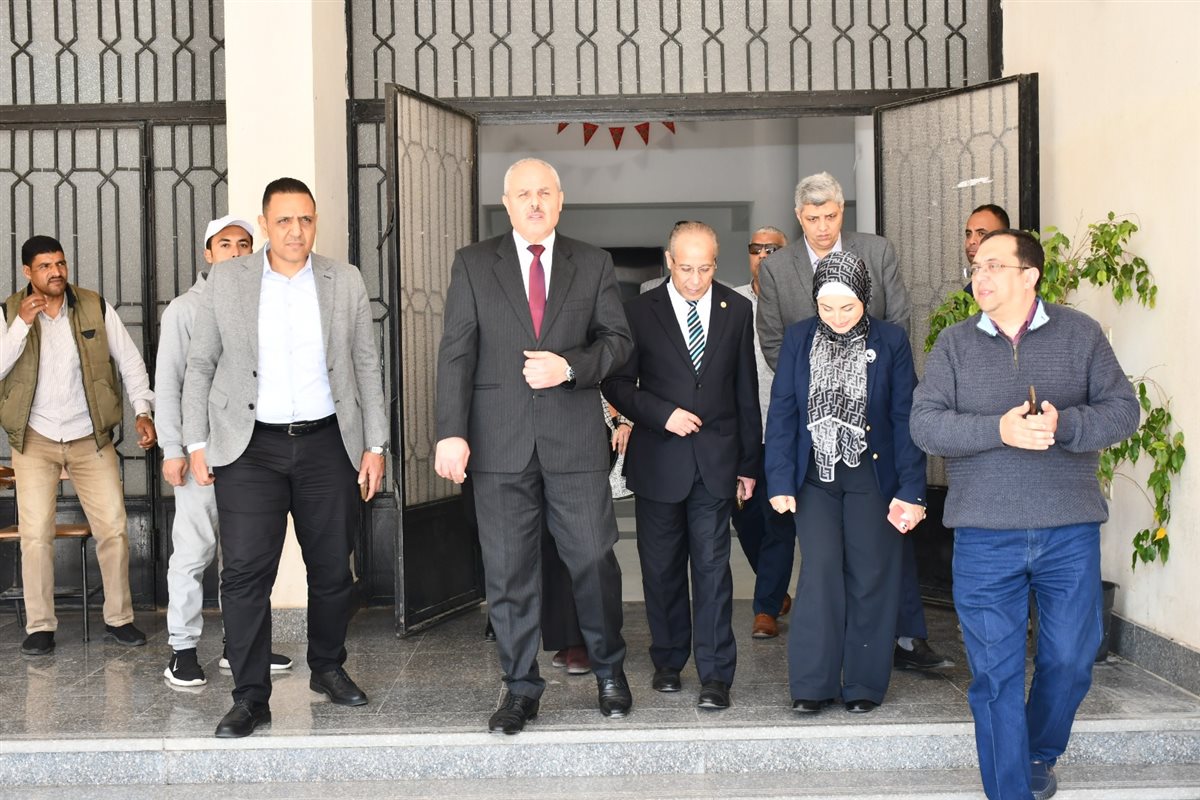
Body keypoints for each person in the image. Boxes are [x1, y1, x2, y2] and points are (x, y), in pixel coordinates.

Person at [910, 229, 1139, 800]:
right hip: (985, 536)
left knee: (1071, 660)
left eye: (994, 265)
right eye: (976, 267)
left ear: (1030, 275)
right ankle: (1010, 788)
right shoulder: (954, 345)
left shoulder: (1080, 334)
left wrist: (1067, 425)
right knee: (995, 676)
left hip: (1068, 531)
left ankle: (1037, 752)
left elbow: (1123, 411)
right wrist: (1000, 429)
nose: (980, 276)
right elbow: (925, 425)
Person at [183, 178, 388, 738]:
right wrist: (196, 442)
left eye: (305, 219)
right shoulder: (228, 279)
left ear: (314, 222)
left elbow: (366, 364)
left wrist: (375, 445)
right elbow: (200, 364)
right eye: (284, 220)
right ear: (265, 224)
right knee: (245, 573)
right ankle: (250, 697)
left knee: (332, 568)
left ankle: (327, 667)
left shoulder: (344, 280)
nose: (296, 231)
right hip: (249, 448)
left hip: (328, 443)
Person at [434, 157, 633, 734]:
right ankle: (520, 687)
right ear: (507, 203)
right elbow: (456, 353)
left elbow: (618, 342)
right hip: (499, 443)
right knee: (508, 572)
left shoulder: (592, 263)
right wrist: (451, 431)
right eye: (524, 193)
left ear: (561, 200)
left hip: (575, 443)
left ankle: (609, 670)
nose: (535, 202)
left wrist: (569, 367)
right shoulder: (474, 263)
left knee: (593, 558)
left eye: (545, 192)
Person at [756, 170, 951, 672]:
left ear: (842, 211)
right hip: (815, 438)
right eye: (812, 217)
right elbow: (775, 343)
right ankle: (819, 672)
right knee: (821, 567)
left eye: (831, 215)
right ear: (798, 217)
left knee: (877, 561)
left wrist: (867, 376)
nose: (823, 226)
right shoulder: (778, 269)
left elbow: (898, 322)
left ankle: (895, 646)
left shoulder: (877, 252)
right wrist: (815, 381)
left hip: (874, 428)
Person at [602, 221, 760, 711]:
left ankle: (716, 674)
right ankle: (668, 660)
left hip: (716, 461)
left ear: (716, 263)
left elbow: (745, 391)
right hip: (658, 459)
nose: (695, 279)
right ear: (669, 262)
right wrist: (662, 414)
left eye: (705, 268)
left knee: (712, 569)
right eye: (686, 268)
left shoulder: (737, 310)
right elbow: (616, 383)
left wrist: (749, 464)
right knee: (661, 567)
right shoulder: (637, 311)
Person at [765, 251, 927, 715]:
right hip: (814, 476)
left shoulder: (891, 341)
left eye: (848, 307)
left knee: (871, 576)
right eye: (827, 307)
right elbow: (783, 412)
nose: (837, 317)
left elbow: (905, 418)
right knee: (819, 573)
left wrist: (912, 490)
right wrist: (779, 480)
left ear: (865, 299)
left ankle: (863, 684)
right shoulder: (798, 338)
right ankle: (812, 685)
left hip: (873, 476)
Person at [0, 236, 156, 656]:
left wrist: (143, 410)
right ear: (27, 272)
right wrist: (22, 325)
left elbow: (130, 361)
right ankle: (40, 626)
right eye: (45, 266)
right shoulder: (8, 312)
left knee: (114, 528)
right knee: (35, 534)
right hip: (34, 439)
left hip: (90, 437)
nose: (56, 272)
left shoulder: (93, 305)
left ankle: (119, 619)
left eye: (60, 263)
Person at [156, 215, 293, 687]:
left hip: (250, 454)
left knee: (245, 557)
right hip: (201, 452)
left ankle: (241, 649)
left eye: (243, 244)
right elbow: (169, 383)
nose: (236, 253)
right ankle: (182, 649)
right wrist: (173, 448)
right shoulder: (184, 310)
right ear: (208, 254)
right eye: (225, 244)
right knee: (193, 551)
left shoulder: (262, 301)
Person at [731, 226, 796, 639]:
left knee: (778, 517)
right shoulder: (730, 301)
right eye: (757, 249)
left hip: (783, 429)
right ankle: (773, 587)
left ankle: (766, 607)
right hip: (739, 430)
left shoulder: (799, 300)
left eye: (773, 249)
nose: (764, 255)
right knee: (745, 518)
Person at [962, 204, 1010, 296]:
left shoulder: (1019, 289)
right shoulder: (967, 295)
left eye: (981, 233)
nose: (971, 241)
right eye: (968, 234)